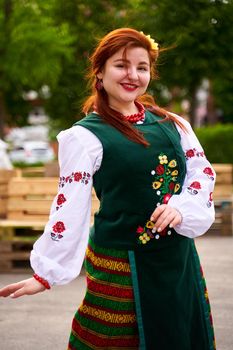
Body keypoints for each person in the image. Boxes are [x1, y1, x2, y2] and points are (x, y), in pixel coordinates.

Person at [0, 28, 216, 350]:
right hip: (120, 262)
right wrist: (47, 272)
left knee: (179, 334)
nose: (133, 75)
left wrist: (182, 207)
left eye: (142, 68)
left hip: (177, 260)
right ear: (99, 71)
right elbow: (69, 206)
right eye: (122, 65)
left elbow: (201, 173)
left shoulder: (173, 124)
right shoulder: (85, 137)